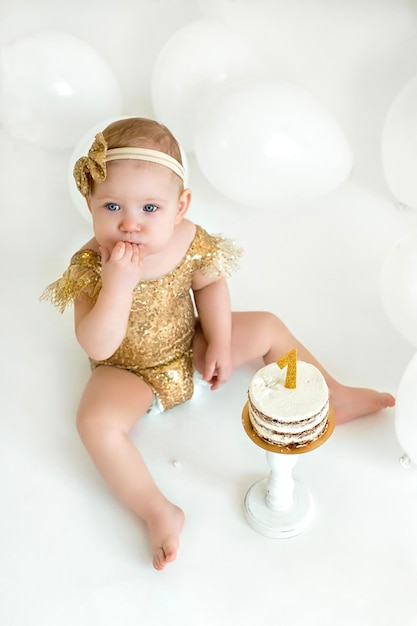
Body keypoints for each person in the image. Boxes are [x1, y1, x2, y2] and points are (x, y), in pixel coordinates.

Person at [42, 117, 395, 571]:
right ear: (89, 203)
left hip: (190, 342)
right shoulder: (91, 265)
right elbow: (97, 346)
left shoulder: (188, 239)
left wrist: (222, 342)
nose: (130, 224)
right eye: (112, 207)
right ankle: (157, 510)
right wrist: (117, 287)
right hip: (126, 371)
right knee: (93, 421)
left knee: (268, 325)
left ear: (180, 205)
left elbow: (210, 287)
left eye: (150, 208)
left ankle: (332, 394)